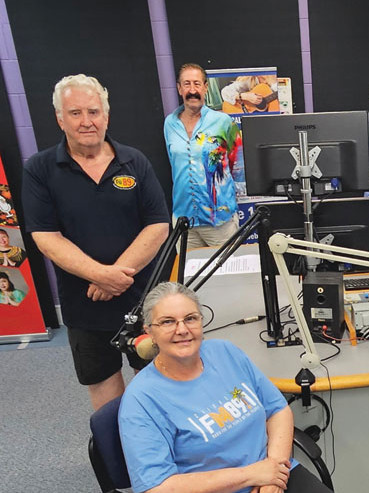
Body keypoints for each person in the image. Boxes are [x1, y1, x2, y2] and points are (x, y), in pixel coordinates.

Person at [22, 74, 170, 410]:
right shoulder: (40, 169)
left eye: (94, 111)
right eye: (75, 113)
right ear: (60, 118)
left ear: (106, 115)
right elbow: (46, 237)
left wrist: (115, 276)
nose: (87, 121)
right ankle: (117, 459)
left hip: (142, 299)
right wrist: (98, 275)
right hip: (84, 304)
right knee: (105, 390)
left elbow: (158, 226)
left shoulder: (135, 161)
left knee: (160, 383)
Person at [119, 282, 332, 493]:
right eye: (167, 322)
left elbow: (277, 410)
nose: (182, 329)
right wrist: (251, 475)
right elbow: (156, 488)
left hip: (273, 475)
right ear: (149, 332)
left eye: (191, 318)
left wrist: (273, 473)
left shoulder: (225, 352)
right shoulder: (141, 400)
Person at [164, 63, 245, 250]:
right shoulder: (169, 123)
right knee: (189, 278)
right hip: (184, 220)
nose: (192, 90)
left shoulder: (223, 122)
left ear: (205, 88)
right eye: (186, 84)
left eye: (197, 84)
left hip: (219, 220)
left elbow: (237, 165)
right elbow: (175, 164)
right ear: (179, 88)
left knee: (227, 275)